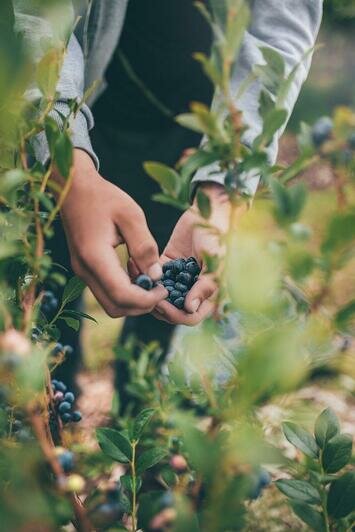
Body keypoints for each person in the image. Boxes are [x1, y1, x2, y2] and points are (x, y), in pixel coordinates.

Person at [14, 0, 323, 401]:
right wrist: (65, 162)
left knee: (166, 289)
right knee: (51, 289)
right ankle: (51, 416)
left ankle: (137, 428)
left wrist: (224, 186)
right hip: (88, 102)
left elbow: (282, 20)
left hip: (193, 138)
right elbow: (37, 13)